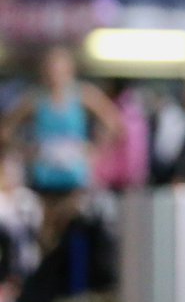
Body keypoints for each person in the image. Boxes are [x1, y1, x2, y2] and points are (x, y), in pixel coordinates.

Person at [0, 47, 122, 252]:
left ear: (70, 70)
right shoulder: (35, 99)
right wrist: (26, 150)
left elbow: (115, 124)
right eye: (50, 69)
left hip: (75, 180)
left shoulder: (83, 95)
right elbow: (6, 131)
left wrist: (94, 149)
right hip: (44, 178)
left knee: (70, 227)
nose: (55, 74)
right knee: (43, 234)